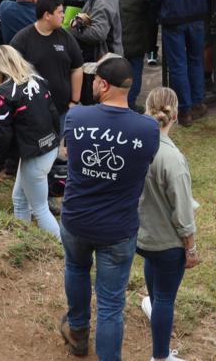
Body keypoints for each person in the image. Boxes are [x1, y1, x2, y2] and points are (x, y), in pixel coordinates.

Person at [57, 56, 160, 361]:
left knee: (76, 268)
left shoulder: (76, 118)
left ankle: (77, 333)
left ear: (103, 84)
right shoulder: (147, 129)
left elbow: (69, 154)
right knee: (111, 304)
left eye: (93, 80)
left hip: (77, 218)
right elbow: (147, 162)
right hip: (118, 227)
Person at [134, 85, 198, 361]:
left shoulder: (134, 144)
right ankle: (160, 357)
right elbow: (183, 213)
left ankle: (152, 305)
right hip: (167, 242)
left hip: (142, 236)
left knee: (156, 291)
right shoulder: (173, 158)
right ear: (174, 116)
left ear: (147, 109)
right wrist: (192, 248)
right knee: (165, 300)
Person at [0, 43, 62, 238]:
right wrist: (57, 140)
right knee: (20, 200)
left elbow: (2, 135)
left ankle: (64, 251)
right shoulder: (38, 80)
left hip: (35, 155)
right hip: (48, 148)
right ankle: (24, 241)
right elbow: (54, 113)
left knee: (39, 208)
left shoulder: (4, 93)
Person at [10, 0, 85, 119]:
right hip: (33, 112)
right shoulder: (22, 40)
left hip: (62, 110)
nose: (63, 15)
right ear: (47, 15)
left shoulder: (66, 37)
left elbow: (77, 68)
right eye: (60, 12)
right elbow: (10, 73)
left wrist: (75, 101)